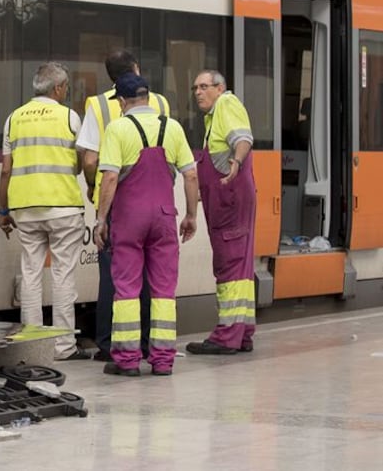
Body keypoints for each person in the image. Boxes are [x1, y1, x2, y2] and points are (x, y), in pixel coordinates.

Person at [95, 72, 199, 376]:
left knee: (127, 287)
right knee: (164, 289)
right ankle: (163, 360)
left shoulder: (118, 129)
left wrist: (101, 219)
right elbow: (191, 175)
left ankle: (127, 361)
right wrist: (191, 215)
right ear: (149, 98)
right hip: (165, 216)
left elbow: (110, 177)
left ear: (123, 101)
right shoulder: (173, 127)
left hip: (129, 218)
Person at [77, 50, 171, 363]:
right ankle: (147, 344)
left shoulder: (99, 105)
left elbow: (90, 160)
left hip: (118, 202)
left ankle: (109, 344)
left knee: (115, 274)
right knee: (151, 275)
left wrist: (94, 186)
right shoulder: (160, 103)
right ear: (136, 70)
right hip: (158, 201)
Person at [0, 62, 89, 361]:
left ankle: (31, 345)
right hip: (62, 206)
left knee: (31, 274)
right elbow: (82, 160)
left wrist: (3, 210)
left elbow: (6, 170)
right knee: (63, 277)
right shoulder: (69, 117)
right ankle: (63, 348)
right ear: (59, 88)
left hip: (24, 208)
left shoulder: (14, 118)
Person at [187, 70, 257, 355]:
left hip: (230, 203)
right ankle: (243, 333)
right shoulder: (212, 118)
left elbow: (243, 138)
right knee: (239, 268)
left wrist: (236, 162)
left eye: (204, 87)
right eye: (195, 88)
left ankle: (227, 336)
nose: (198, 93)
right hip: (227, 203)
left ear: (220, 88)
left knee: (230, 266)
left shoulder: (227, 105)